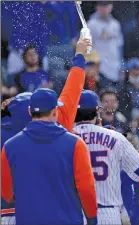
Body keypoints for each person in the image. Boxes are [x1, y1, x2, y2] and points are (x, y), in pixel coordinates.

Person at [0, 38, 91, 225]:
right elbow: (74, 85)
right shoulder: (60, 122)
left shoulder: (8, 140)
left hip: (9, 212)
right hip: (58, 212)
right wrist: (80, 54)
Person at [1, 88, 98, 225]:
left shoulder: (9, 147)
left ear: (30, 111)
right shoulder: (76, 144)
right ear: (55, 111)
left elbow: (7, 195)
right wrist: (92, 219)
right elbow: (86, 189)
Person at [73, 90, 139, 224]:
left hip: (77, 214)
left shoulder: (66, 138)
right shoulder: (115, 136)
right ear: (97, 110)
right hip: (109, 214)